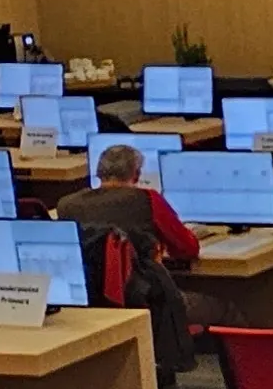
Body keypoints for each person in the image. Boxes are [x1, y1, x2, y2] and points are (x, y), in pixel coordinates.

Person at [55, 144, 199, 374]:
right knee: (227, 309)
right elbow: (187, 248)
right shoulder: (147, 199)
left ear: (98, 173)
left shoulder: (66, 205)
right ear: (137, 174)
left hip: (86, 300)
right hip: (144, 298)